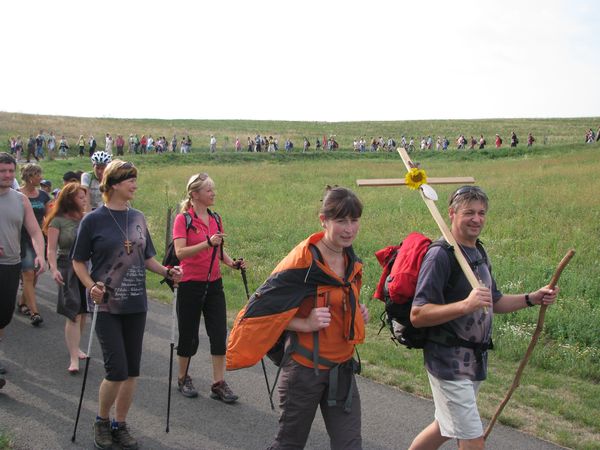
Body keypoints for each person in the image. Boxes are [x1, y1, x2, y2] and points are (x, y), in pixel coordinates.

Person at [408, 185, 558, 450]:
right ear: (452, 213)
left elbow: (494, 301)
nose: (477, 219)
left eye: (481, 213)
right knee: (472, 438)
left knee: (444, 428)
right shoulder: (441, 255)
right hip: (448, 363)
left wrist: (531, 299)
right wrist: (465, 306)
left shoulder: (478, 252)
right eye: (469, 213)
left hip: (473, 363)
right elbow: (418, 314)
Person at [227, 186, 369, 450]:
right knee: (289, 445)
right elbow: (259, 312)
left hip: (342, 370)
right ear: (323, 220)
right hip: (304, 371)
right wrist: (304, 323)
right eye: (341, 221)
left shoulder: (352, 259)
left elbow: (342, 299)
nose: (349, 228)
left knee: (350, 445)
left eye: (354, 220)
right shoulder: (302, 262)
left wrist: (357, 312)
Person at [71, 160, 182, 450]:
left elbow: (147, 259)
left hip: (136, 303)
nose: (135, 184)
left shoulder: (138, 217)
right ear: (114, 184)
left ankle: (120, 424)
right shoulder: (93, 220)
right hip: (106, 304)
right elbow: (78, 261)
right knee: (116, 369)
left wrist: (168, 272)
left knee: (132, 370)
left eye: (135, 178)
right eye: (130, 179)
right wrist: (90, 285)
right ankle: (102, 420)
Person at [172, 173, 245, 402]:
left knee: (218, 333)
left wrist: (232, 263)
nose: (213, 193)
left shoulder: (215, 217)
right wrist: (207, 243)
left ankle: (218, 383)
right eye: (209, 190)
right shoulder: (183, 220)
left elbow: (218, 249)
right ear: (195, 195)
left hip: (214, 284)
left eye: (213, 189)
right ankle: (183, 377)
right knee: (189, 335)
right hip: (189, 284)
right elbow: (180, 252)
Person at [0, 153, 46, 388]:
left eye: (10, 171)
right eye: (2, 171)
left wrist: (40, 254)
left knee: (4, 316)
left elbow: (35, 231)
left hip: (11, 263)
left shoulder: (20, 200)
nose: (7, 175)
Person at [43, 182, 88, 373]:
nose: (84, 200)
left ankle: (76, 346)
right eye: (80, 197)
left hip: (86, 267)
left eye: (84, 197)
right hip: (66, 266)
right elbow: (51, 249)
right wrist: (53, 269)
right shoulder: (57, 221)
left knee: (83, 311)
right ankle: (73, 358)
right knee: (73, 312)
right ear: (70, 199)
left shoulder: (87, 219)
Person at [17, 163, 51, 326]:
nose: (40, 177)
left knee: (35, 275)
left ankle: (23, 303)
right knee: (28, 274)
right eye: (38, 175)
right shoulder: (16, 195)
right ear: (30, 177)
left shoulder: (43, 196)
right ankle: (34, 312)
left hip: (38, 239)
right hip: (21, 239)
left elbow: (49, 218)